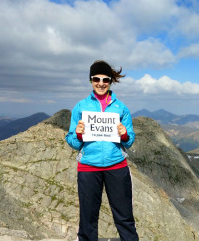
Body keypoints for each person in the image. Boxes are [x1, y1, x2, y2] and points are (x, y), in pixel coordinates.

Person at [65, 60, 138, 241]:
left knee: (125, 217)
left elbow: (130, 142)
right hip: (88, 167)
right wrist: (79, 135)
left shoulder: (121, 108)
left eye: (105, 79)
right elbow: (71, 141)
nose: (101, 83)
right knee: (87, 218)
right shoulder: (80, 107)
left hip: (117, 166)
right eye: (96, 79)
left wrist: (125, 135)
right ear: (91, 80)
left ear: (110, 82)